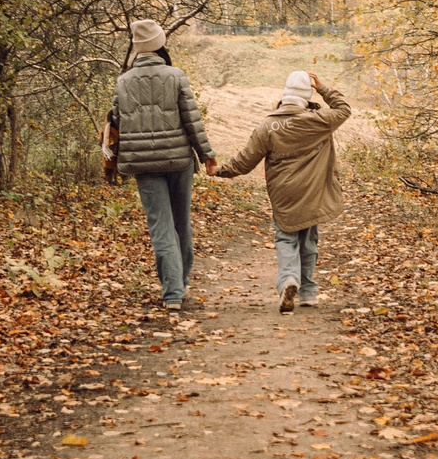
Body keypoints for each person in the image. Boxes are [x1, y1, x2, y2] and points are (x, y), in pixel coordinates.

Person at [214, 69, 351, 313]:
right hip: (313, 190)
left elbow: (245, 162)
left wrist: (220, 170)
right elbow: (343, 108)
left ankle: (289, 280)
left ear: (285, 94)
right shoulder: (319, 121)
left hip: (283, 193)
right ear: (307, 96)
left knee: (286, 238)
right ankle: (308, 292)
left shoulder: (268, 126)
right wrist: (323, 87)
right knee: (309, 241)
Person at [103, 19, 216, 311]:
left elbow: (116, 123)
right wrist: (206, 154)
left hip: (142, 164)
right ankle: (181, 282)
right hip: (178, 160)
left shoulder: (123, 81)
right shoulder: (176, 76)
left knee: (161, 227)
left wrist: (112, 162)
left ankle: (172, 293)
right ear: (160, 44)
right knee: (182, 223)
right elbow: (192, 120)